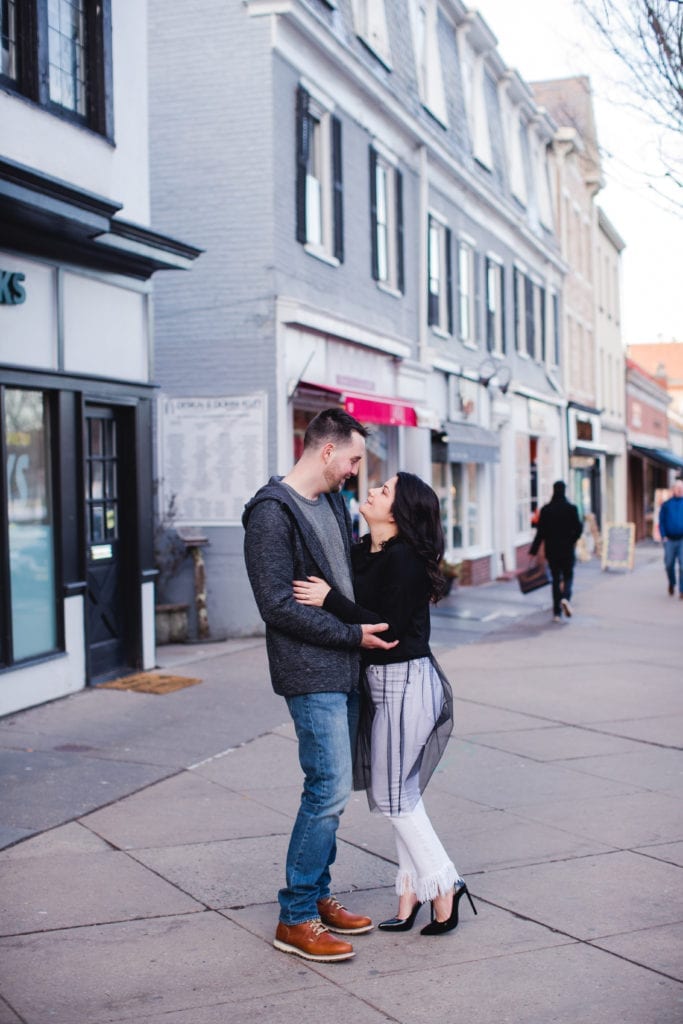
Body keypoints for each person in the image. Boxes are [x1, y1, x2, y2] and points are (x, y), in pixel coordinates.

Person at [242, 408, 397, 964]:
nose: (357, 471)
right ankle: (296, 915)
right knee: (327, 788)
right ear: (327, 451)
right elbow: (277, 606)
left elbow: (344, 577)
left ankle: (320, 894)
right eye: (354, 459)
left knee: (333, 788)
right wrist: (353, 634)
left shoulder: (333, 501)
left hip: (346, 665)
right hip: (310, 672)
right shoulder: (270, 513)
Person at [293, 472, 477, 937]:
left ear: (398, 512)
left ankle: (446, 882)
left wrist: (330, 599)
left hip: (406, 682)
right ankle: (410, 890)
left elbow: (387, 631)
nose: (373, 490)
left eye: (385, 489)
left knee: (394, 798)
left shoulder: (406, 561)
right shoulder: (364, 551)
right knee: (400, 794)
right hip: (381, 684)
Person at [529, 480, 583, 622]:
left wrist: (533, 551)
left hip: (552, 551)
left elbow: (541, 533)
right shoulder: (571, 509)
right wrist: (571, 541)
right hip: (567, 550)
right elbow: (578, 529)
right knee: (568, 576)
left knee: (555, 579)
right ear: (564, 491)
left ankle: (557, 613)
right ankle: (565, 597)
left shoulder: (546, 510)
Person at [658, 478, 683, 598]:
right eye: (678, 488)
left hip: (682, 539)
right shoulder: (667, 505)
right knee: (669, 564)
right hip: (669, 539)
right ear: (673, 489)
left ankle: (682, 590)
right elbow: (661, 521)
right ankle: (672, 583)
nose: (680, 490)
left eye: (682, 488)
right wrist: (663, 536)